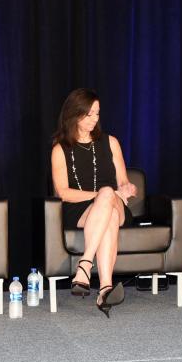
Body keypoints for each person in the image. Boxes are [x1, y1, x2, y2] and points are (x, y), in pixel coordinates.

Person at [50, 88, 136, 317]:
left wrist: (127, 188)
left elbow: (124, 181)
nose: (94, 119)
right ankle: (105, 288)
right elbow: (63, 192)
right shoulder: (60, 149)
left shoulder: (111, 142)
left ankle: (85, 265)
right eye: (88, 114)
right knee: (108, 208)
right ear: (73, 114)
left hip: (115, 203)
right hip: (81, 208)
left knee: (109, 198)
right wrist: (99, 196)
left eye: (97, 114)